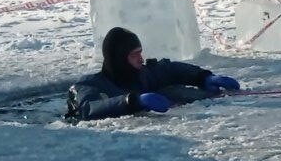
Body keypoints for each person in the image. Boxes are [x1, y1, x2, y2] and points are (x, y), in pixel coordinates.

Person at [66, 27, 240, 121]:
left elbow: (170, 70)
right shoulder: (90, 85)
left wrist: (202, 77)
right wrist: (132, 101)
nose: (141, 59)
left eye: (140, 53)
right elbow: (89, 108)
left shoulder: (143, 74)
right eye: (134, 55)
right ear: (119, 58)